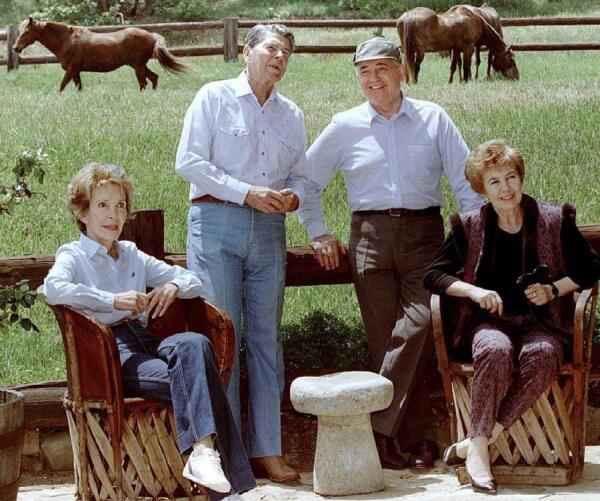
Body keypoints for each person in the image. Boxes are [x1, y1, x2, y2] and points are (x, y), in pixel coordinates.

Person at [297, 37, 484, 469]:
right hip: (369, 237)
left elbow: (465, 182)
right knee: (386, 340)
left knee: (419, 326)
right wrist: (318, 232)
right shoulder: (344, 126)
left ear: (402, 71)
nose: (373, 78)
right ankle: (416, 441)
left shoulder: (433, 118)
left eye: (382, 68)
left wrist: (472, 238)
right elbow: (306, 182)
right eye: (364, 71)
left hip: (425, 235)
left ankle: (377, 428)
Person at [44, 163, 256, 500]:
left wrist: (173, 286)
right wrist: (113, 300)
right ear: (82, 212)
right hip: (111, 352)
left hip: (147, 341)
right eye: (102, 205)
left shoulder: (131, 254)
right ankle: (222, 482)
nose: (114, 215)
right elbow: (53, 289)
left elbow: (193, 280)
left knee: (194, 344)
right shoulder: (74, 255)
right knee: (202, 379)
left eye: (120, 205)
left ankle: (203, 453)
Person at [423, 140, 600, 493]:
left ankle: (476, 444)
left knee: (543, 354)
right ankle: (480, 451)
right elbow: (433, 275)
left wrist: (554, 290)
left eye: (511, 177)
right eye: (495, 181)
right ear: (482, 189)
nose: (506, 188)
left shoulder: (554, 219)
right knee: (493, 349)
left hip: (543, 324)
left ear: (520, 177)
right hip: (489, 323)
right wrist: (474, 292)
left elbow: (592, 267)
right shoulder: (468, 225)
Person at [175, 24, 305, 483]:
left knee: (267, 338)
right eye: (271, 48)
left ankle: (268, 448)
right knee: (223, 336)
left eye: (286, 52)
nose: (279, 57)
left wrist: (293, 197)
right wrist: (245, 193)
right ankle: (226, 453)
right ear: (247, 51)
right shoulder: (213, 97)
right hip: (216, 223)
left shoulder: (291, 113)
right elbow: (188, 162)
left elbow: (302, 176)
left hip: (269, 229)